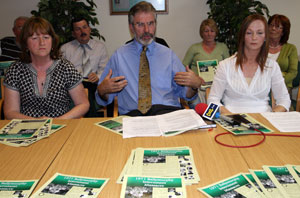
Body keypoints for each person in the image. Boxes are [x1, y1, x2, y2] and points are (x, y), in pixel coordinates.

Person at [96, 1, 203, 116]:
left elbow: (185, 94)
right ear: (131, 27)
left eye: (150, 23)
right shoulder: (119, 56)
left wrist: (193, 86)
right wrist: (102, 90)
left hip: (167, 115)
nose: (147, 30)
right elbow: (102, 98)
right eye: (140, 24)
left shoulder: (168, 55)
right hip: (133, 117)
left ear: (155, 24)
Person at [3, 16, 89, 119]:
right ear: (26, 43)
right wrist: (36, 123)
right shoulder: (15, 70)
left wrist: (57, 122)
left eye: (46, 37)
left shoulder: (66, 68)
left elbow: (83, 104)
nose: (42, 43)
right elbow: (10, 111)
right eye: (34, 38)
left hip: (61, 125)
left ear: (52, 41)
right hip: (26, 127)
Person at [207, 14, 290, 114]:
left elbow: (284, 100)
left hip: (265, 122)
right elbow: (213, 99)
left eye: (259, 33)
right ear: (243, 36)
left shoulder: (272, 66)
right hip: (232, 122)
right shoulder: (225, 65)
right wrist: (230, 117)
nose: (254, 37)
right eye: (249, 33)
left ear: (265, 37)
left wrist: (272, 116)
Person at [60, 17, 109, 117]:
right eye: (78, 29)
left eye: (84, 27)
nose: (82, 31)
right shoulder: (65, 49)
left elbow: (104, 69)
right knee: (82, 90)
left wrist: (98, 76)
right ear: (73, 33)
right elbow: (60, 72)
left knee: (89, 91)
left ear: (89, 29)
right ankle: (91, 123)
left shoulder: (100, 47)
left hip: (93, 84)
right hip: (73, 86)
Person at [182, 18, 229, 108]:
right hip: (198, 88)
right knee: (197, 106)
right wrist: (195, 77)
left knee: (221, 107)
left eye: (212, 31)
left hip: (218, 87)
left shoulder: (223, 47)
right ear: (202, 33)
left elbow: (229, 68)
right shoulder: (194, 48)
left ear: (216, 32)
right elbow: (184, 66)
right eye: (206, 31)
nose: (209, 34)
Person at [268, 14, 298, 94]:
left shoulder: (291, 48)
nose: (273, 28)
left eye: (277, 26)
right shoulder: (260, 46)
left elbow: (293, 72)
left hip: (281, 87)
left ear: (283, 32)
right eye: (271, 25)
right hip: (260, 86)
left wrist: (277, 83)